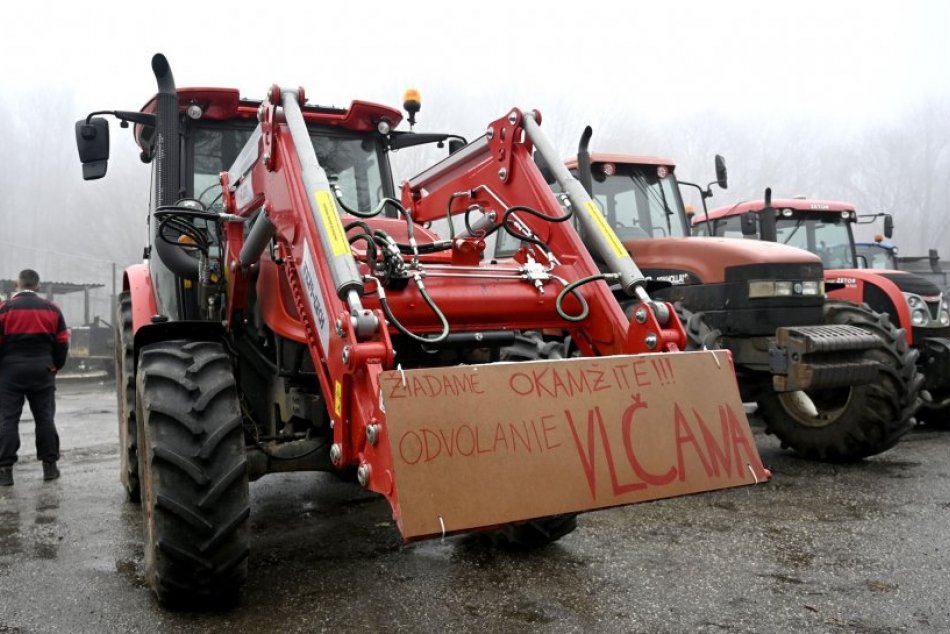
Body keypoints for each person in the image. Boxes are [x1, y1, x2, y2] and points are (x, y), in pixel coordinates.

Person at [0, 269, 69, 486]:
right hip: (43, 370)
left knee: (7, 420)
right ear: (38, 286)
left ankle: (5, 471)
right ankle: (50, 468)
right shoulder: (52, 309)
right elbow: (62, 342)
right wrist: (55, 366)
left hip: (10, 371)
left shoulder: (4, 309)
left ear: (16, 284)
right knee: (45, 418)